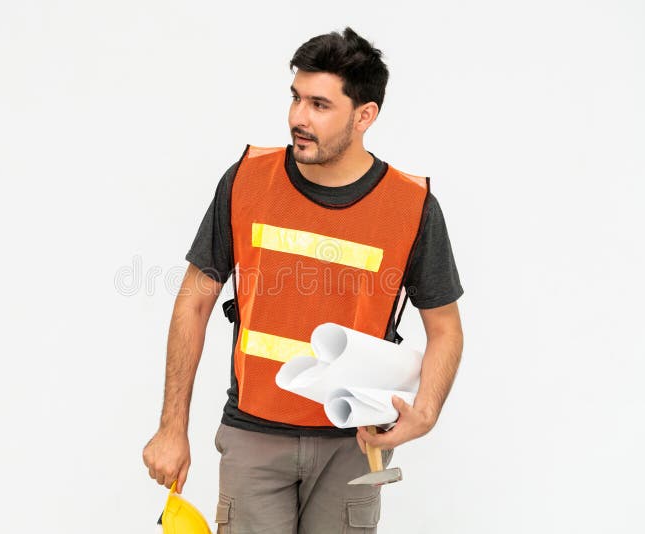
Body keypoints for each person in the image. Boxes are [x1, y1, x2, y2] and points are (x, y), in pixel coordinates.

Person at [143, 27, 464, 533]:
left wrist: (426, 410)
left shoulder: (411, 207)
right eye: (296, 98)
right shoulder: (247, 180)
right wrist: (171, 427)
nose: (298, 117)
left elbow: (445, 327)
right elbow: (193, 302)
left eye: (319, 105)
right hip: (253, 437)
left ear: (365, 116)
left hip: (353, 443)